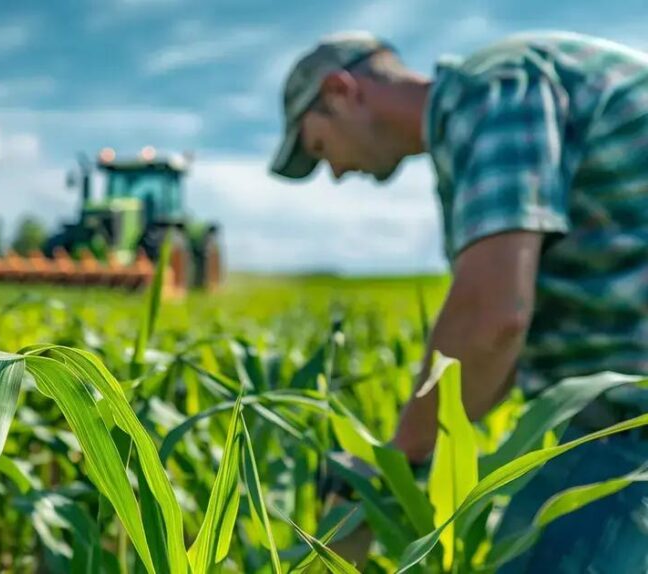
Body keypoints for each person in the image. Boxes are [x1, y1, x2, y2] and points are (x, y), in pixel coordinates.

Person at [270, 30, 648, 572]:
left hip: (628, 427)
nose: (333, 172)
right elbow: (501, 348)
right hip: (606, 417)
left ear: (339, 92)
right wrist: (406, 466)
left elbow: (494, 317)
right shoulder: (475, 124)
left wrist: (393, 463)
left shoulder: (493, 87)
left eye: (319, 147)